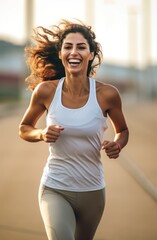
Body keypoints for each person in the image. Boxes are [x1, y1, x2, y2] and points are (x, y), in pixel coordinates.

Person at [19, 19, 129, 240]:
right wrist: (41, 133)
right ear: (60, 54)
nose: (74, 52)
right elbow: (24, 128)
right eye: (68, 47)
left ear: (91, 53)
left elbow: (123, 131)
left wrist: (116, 144)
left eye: (81, 47)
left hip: (93, 191)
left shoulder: (107, 95)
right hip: (55, 187)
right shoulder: (46, 91)